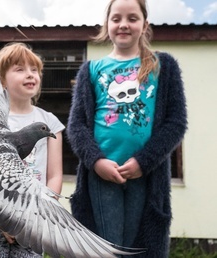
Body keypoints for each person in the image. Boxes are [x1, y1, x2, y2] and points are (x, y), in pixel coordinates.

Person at [66, 0, 188, 256]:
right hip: (101, 176)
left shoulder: (163, 66)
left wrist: (143, 161)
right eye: (116, 18)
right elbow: (76, 126)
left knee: (137, 247)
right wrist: (97, 161)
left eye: (132, 18)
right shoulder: (91, 70)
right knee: (107, 247)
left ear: (145, 25)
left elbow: (176, 123)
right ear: (107, 24)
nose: (124, 24)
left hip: (145, 175)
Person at [0, 42, 65, 257]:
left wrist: (39, 214)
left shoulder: (50, 122)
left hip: (33, 216)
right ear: (2, 80)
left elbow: (55, 175)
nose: (30, 74)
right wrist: (1, 219)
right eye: (20, 69)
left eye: (35, 70)